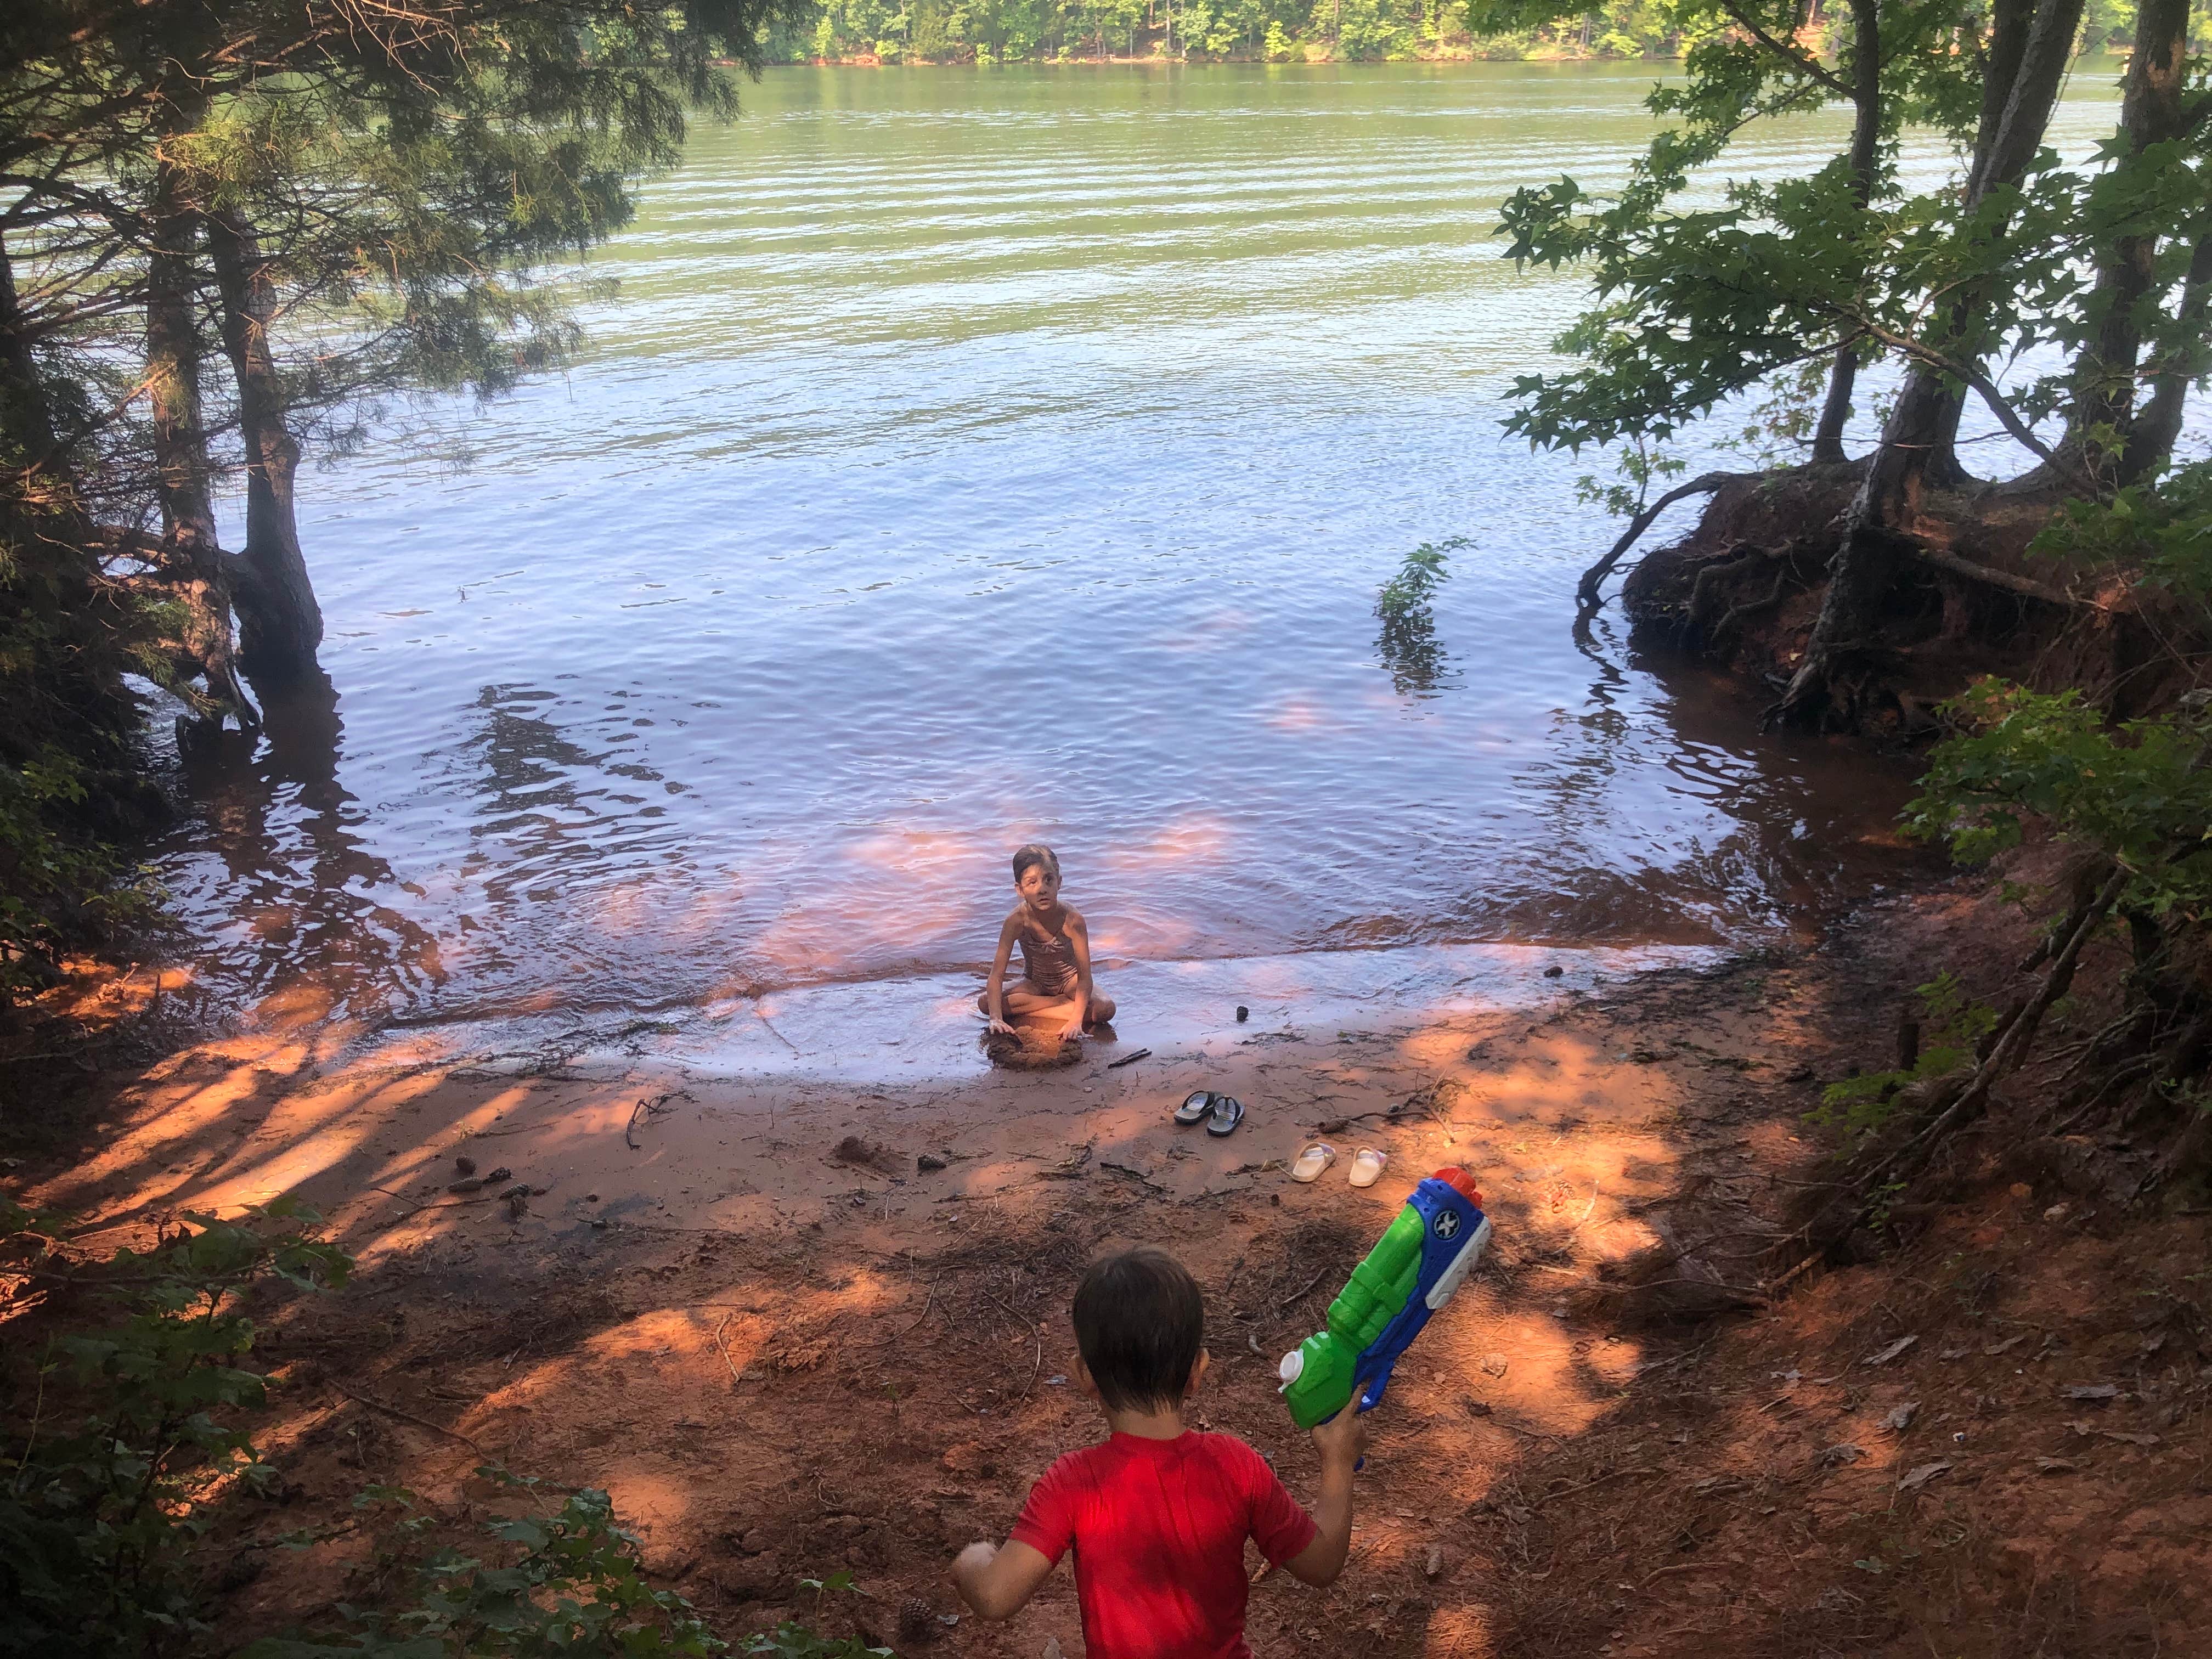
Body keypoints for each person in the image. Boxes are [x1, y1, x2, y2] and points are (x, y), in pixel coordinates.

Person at [952, 1249, 1366, 1659]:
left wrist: (973, 1559)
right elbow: (1323, 1563)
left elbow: (993, 1597)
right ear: (1198, 1371)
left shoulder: (1074, 1483)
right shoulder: (1236, 1467)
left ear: (1083, 1377)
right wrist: (1338, 1461)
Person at [978, 843, 1116, 1040]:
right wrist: (996, 1019)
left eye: (1048, 880)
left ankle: (1051, 1009)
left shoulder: (1073, 920)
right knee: (985, 1003)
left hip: (1070, 982)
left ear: (1059, 883)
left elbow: (1085, 977)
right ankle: (1059, 1005)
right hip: (1034, 982)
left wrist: (1076, 1021)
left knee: (1105, 1009)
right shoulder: (1016, 921)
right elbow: (996, 977)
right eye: (1032, 883)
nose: (1042, 889)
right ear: (1020, 889)